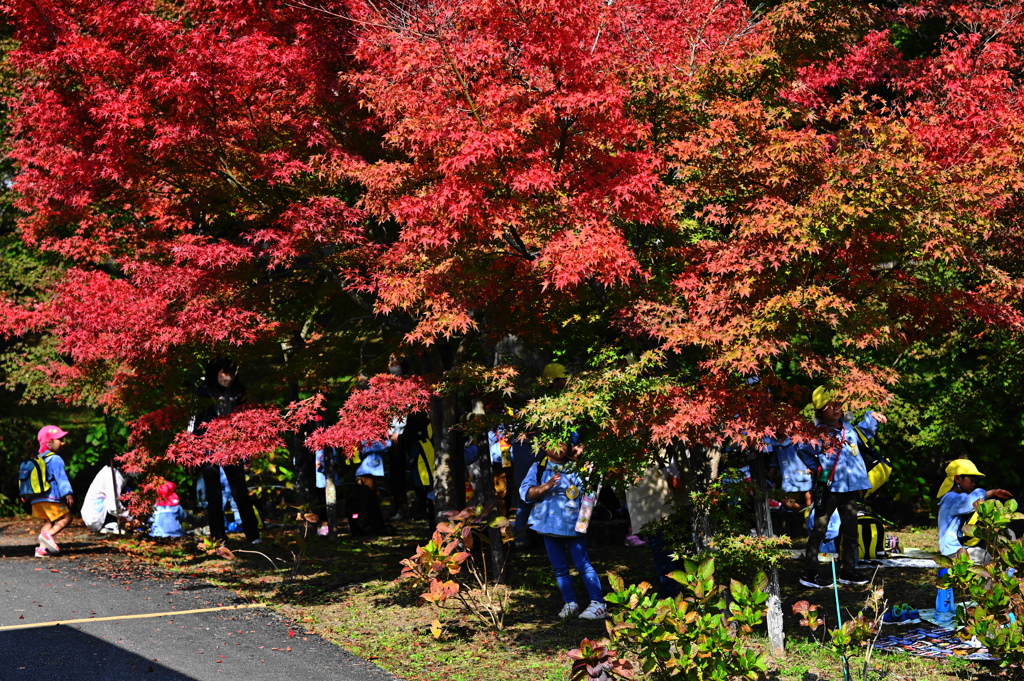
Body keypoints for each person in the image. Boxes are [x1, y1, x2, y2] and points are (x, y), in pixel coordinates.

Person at [798, 387, 885, 588]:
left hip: (850, 488)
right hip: (829, 488)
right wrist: (818, 469)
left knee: (851, 530)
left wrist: (871, 416)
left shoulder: (848, 428)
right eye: (829, 406)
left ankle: (849, 570)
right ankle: (809, 573)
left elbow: (865, 433)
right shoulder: (818, 433)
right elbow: (803, 450)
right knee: (819, 530)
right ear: (819, 411)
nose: (836, 408)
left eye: (838, 404)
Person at [520, 442, 606, 620]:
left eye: (562, 443)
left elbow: (591, 491)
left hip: (575, 525)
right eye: (552, 443)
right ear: (543, 446)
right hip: (548, 526)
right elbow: (526, 493)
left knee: (583, 564)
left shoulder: (581, 467)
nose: (558, 447)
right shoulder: (539, 467)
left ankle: (598, 603)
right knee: (559, 568)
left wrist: (580, 461)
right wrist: (547, 485)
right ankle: (570, 603)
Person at [193, 359, 261, 544]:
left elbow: (246, 424)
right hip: (208, 447)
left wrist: (247, 452)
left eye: (231, 373)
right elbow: (196, 423)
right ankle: (218, 537)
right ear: (215, 372)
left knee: (240, 493)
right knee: (213, 495)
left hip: (233, 447)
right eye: (225, 373)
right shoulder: (203, 392)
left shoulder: (238, 391)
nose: (228, 378)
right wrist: (194, 450)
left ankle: (253, 535)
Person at [936, 459, 1012, 564]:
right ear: (957, 479)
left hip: (959, 548)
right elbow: (971, 501)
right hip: (953, 551)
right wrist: (993, 492)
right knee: (984, 556)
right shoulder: (952, 498)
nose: (974, 484)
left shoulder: (955, 498)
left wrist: (993, 493)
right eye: (971, 480)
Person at [29, 425, 74, 557]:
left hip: (37, 498)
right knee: (67, 517)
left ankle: (41, 550)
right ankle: (48, 535)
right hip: (51, 497)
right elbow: (61, 478)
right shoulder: (55, 459)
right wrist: (67, 493)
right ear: (49, 442)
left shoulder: (37, 459)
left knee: (48, 522)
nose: (63, 443)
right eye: (60, 439)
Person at [81, 465, 129, 533]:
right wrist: (129, 516)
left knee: (128, 491)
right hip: (96, 515)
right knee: (127, 493)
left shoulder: (119, 474)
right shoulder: (113, 475)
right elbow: (113, 505)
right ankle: (110, 524)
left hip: (98, 512)